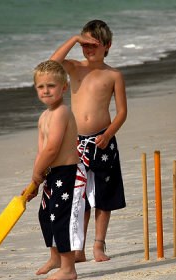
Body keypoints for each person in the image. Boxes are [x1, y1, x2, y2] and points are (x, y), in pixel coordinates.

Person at [50, 20, 127, 262]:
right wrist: (74, 40)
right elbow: (51, 65)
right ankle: (79, 248)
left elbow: (122, 112)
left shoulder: (113, 75)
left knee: (104, 196)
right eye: (86, 45)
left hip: (103, 140)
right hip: (76, 142)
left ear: (108, 46)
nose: (89, 50)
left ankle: (98, 246)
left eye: (94, 45)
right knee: (78, 197)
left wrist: (108, 133)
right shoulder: (74, 68)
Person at [23, 60, 87, 280]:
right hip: (52, 174)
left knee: (62, 218)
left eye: (51, 85)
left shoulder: (62, 112)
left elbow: (53, 148)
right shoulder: (43, 117)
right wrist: (36, 181)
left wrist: (36, 174)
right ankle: (56, 258)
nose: (46, 90)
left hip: (69, 173)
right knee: (46, 216)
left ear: (64, 87)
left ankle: (68, 268)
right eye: (41, 87)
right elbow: (41, 152)